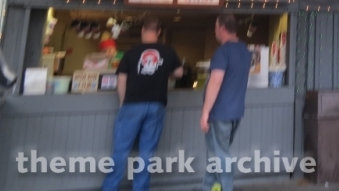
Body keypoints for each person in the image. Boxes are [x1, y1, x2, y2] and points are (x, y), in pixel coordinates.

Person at [102, 16, 183, 191]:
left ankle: (110, 187)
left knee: (121, 150)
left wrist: (123, 103)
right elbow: (179, 73)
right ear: (159, 32)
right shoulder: (168, 51)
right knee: (147, 152)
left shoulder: (131, 52)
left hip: (132, 104)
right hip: (156, 106)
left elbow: (121, 80)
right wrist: (164, 72)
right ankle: (140, 188)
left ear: (142, 31)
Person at [201, 14, 251, 191]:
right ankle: (208, 187)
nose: (215, 31)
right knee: (217, 153)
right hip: (236, 112)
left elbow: (215, 82)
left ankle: (226, 187)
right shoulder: (245, 51)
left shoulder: (222, 52)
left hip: (220, 112)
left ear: (222, 28)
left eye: (216, 27)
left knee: (220, 155)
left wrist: (205, 111)